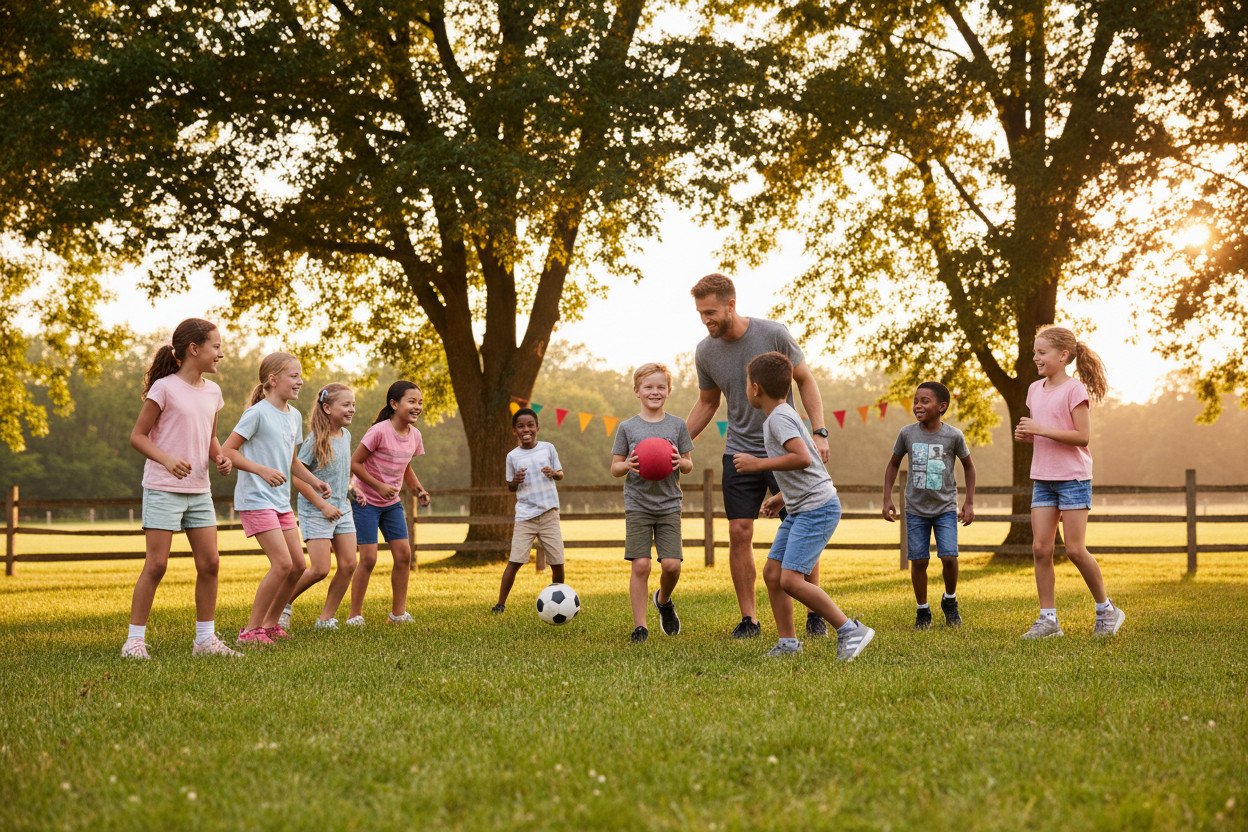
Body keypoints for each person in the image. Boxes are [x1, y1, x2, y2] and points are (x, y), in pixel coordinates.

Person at [686, 273, 834, 639]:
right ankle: (749, 619)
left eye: (710, 312)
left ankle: (814, 612)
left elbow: (805, 379)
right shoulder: (706, 351)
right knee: (739, 530)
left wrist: (818, 431)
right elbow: (707, 403)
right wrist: (677, 443)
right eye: (700, 313)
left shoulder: (773, 334)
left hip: (784, 448)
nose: (705, 320)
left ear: (731, 305)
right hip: (739, 450)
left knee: (801, 524)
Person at [737, 352, 874, 660]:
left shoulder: (779, 418)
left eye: (747, 383)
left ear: (755, 388)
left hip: (817, 509)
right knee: (773, 574)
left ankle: (850, 630)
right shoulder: (784, 415)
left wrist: (758, 464)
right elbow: (810, 465)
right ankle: (788, 643)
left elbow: (801, 457)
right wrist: (781, 497)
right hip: (801, 508)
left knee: (790, 579)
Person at [122, 319, 240, 659]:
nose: (220, 353)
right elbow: (138, 436)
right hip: (163, 488)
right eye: (216, 346)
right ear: (194, 349)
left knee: (210, 563)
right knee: (157, 565)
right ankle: (134, 641)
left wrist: (220, 457)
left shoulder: (213, 392)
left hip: (199, 490)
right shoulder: (164, 389)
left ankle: (205, 641)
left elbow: (210, 437)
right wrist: (167, 459)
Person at [1014, 325, 1126, 638]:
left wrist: (1040, 429)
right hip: (1043, 477)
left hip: (1073, 478)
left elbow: (1082, 436)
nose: (1036, 358)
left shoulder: (1075, 390)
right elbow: (1046, 432)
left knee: (1075, 550)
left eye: (1042, 352)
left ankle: (1106, 610)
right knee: (1040, 549)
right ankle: (1048, 620)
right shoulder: (1034, 390)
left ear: (1063, 356)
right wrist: (1028, 436)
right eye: (1035, 352)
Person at [222, 352, 331, 646]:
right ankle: (250, 631)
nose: (300, 381)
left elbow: (292, 462)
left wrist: (315, 482)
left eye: (300, 376)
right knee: (282, 564)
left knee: (297, 566)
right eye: (294, 376)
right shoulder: (256, 413)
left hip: (281, 501)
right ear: (273, 380)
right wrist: (261, 470)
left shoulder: (294, 416)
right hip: (256, 499)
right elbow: (227, 451)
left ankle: (269, 625)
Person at [610, 363, 695, 643]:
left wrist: (680, 461)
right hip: (638, 504)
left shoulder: (677, 425)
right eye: (648, 387)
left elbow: (689, 465)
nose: (654, 392)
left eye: (660, 387)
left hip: (669, 504)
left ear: (669, 390)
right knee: (641, 565)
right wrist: (628, 464)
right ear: (637, 391)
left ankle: (663, 600)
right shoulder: (627, 427)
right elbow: (615, 468)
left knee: (671, 566)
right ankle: (641, 627)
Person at [883, 382, 976, 629]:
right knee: (919, 561)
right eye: (916, 401)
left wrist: (968, 502)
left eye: (925, 401)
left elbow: (969, 467)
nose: (918, 405)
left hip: (945, 507)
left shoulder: (953, 436)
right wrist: (887, 498)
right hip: (915, 509)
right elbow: (893, 464)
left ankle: (950, 600)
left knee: (949, 557)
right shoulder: (907, 434)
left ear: (941, 407)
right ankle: (922, 610)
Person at [347, 380, 430, 625]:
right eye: (411, 401)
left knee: (404, 555)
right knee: (369, 558)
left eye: (420, 402)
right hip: (364, 501)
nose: (417, 406)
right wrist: (379, 486)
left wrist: (418, 490)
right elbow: (355, 463)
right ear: (394, 404)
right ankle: (355, 615)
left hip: (391, 504)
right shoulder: (379, 431)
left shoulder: (415, 435)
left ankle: (397, 614)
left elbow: (406, 467)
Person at [280, 383, 358, 631]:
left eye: (353, 404)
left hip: (342, 508)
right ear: (327, 408)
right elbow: (298, 478)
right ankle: (281, 605)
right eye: (346, 405)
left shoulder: (346, 436)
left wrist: (352, 491)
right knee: (320, 569)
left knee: (349, 564)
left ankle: (326, 619)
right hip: (316, 510)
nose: (351, 409)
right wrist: (323, 506)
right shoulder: (315, 439)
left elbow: (340, 472)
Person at [493, 408, 565, 613]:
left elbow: (560, 474)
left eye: (530, 425)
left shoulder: (548, 448)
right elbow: (510, 486)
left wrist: (553, 473)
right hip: (525, 517)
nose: (526, 429)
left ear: (537, 428)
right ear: (514, 431)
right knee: (515, 561)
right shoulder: (512, 456)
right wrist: (515, 480)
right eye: (521, 426)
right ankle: (500, 604)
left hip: (549, 514)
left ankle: (560, 602)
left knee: (557, 562)